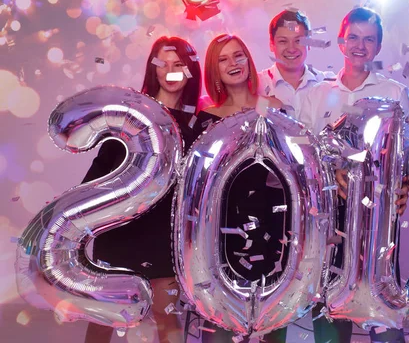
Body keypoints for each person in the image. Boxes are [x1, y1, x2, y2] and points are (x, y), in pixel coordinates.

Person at [298, 7, 409, 343]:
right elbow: (302, 158)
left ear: (378, 47)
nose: (360, 45)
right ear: (340, 42)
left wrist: (404, 185)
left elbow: (407, 157)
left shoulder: (395, 94)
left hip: (379, 226)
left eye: (369, 39)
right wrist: (332, 172)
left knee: (385, 322)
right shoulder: (315, 96)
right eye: (354, 37)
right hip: (329, 223)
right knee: (331, 319)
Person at [83, 36, 205, 343]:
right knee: (105, 318)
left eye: (179, 65)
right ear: (154, 69)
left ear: (190, 71)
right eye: (164, 64)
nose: (171, 71)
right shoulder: (131, 115)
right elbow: (101, 169)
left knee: (167, 318)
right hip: (121, 230)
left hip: (163, 234)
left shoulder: (200, 122)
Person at [195, 34, 288, 343]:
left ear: (249, 60)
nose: (233, 63)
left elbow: (293, 174)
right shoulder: (205, 119)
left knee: (269, 324)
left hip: (273, 229)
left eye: (238, 56)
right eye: (223, 59)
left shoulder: (275, 109)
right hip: (220, 234)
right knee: (220, 328)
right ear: (214, 70)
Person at [258, 9, 333, 120]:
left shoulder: (329, 82)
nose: (291, 49)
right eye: (283, 41)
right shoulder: (257, 85)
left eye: (298, 41)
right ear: (271, 44)